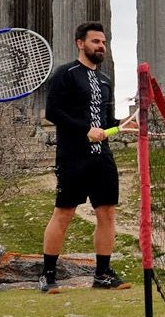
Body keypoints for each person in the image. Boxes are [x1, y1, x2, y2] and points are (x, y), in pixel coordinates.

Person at [39, 21, 130, 293]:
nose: (101, 46)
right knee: (64, 213)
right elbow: (52, 113)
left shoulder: (105, 80)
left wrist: (123, 123)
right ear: (81, 43)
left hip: (102, 158)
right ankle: (47, 275)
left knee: (107, 213)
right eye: (95, 41)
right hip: (72, 157)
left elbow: (105, 121)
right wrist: (85, 130)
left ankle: (102, 275)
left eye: (103, 42)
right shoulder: (65, 74)